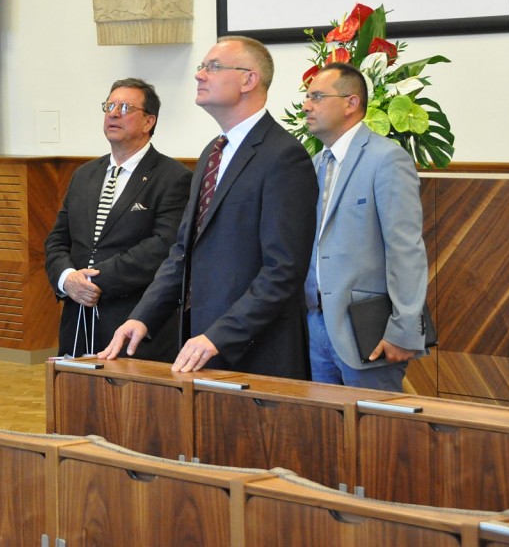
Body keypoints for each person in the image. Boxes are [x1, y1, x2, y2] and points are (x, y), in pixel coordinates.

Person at [99, 36, 318, 377]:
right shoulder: (212, 152)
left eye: (213, 67)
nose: (199, 74)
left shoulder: (283, 156)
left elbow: (283, 271)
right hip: (200, 343)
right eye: (202, 66)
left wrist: (219, 336)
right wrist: (142, 317)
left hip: (254, 353)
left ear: (249, 80)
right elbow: (183, 252)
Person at [301, 62, 428, 391]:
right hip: (314, 326)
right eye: (307, 96)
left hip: (367, 330)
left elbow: (405, 250)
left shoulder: (386, 159)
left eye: (317, 97)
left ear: (351, 103)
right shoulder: (314, 164)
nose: (306, 105)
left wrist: (404, 329)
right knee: (323, 423)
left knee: (375, 424)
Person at [45, 78, 191, 359]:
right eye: (109, 106)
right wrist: (67, 279)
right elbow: (57, 239)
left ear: (149, 121)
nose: (113, 114)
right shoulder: (84, 175)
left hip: (133, 322)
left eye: (125, 108)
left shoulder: (174, 177)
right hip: (78, 319)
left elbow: (163, 247)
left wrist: (96, 280)